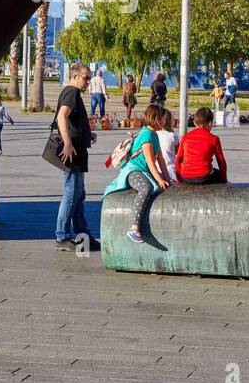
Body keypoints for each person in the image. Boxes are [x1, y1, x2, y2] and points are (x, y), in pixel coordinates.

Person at [103, 104, 173, 244]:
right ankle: (134, 227)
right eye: (163, 118)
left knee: (162, 185)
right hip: (133, 170)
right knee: (145, 188)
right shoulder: (146, 135)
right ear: (156, 119)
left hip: (144, 170)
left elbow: (160, 160)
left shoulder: (154, 135)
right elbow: (150, 162)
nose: (166, 122)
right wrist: (159, 179)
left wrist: (168, 178)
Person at [53, 63, 99, 250]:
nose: (88, 82)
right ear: (75, 77)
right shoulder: (71, 92)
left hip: (78, 149)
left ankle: (82, 234)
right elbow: (61, 117)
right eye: (86, 78)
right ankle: (62, 236)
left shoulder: (72, 92)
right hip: (72, 151)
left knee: (79, 194)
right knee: (72, 193)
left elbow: (71, 120)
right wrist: (69, 143)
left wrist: (87, 134)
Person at [176, 107, 228, 184]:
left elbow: (178, 160)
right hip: (204, 177)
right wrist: (224, 180)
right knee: (217, 173)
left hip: (186, 176)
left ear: (194, 122)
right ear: (210, 123)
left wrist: (179, 179)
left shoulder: (185, 137)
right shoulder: (214, 139)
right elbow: (221, 162)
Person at [155, 107, 179, 178]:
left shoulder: (155, 134)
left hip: (157, 169)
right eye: (172, 118)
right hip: (171, 170)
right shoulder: (172, 135)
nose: (174, 120)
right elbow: (179, 152)